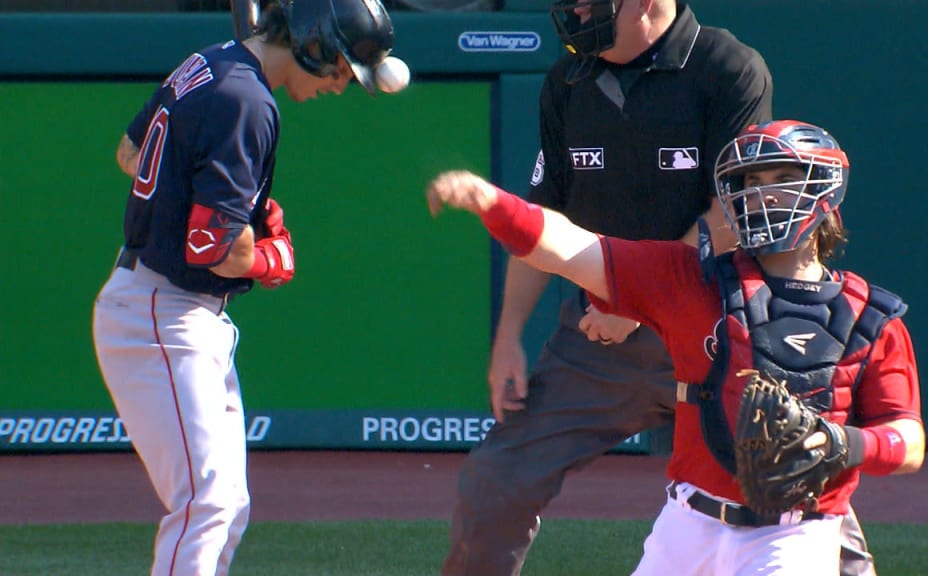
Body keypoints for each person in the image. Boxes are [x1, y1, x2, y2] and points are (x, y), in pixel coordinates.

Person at [439, 0, 877, 574]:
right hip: (600, 341)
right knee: (496, 480)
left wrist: (642, 303)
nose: (574, 7)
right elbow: (546, 218)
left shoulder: (728, 66)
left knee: (793, 480)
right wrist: (509, 338)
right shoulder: (565, 81)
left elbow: (731, 215)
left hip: (719, 332)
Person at [91, 1, 395, 574]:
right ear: (314, 45)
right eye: (343, 71)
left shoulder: (213, 62)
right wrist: (267, 255)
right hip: (163, 313)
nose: (341, 86)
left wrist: (233, 206)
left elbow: (130, 154)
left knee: (226, 504)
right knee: (207, 504)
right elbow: (215, 253)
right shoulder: (248, 101)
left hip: (169, 307)